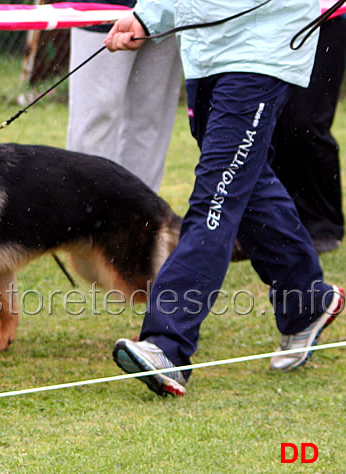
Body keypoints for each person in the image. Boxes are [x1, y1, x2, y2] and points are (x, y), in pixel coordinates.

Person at [105, 0, 344, 396]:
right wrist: (147, 14)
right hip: (205, 52)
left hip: (262, 48)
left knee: (216, 194)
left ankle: (167, 343)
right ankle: (305, 300)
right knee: (244, 182)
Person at [66, 0, 182, 192]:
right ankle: (87, 213)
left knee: (151, 119)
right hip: (103, 7)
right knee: (95, 121)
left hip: (168, 9)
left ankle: (144, 215)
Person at [271, 16, 346, 254]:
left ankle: (323, 223)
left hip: (325, 17)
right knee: (274, 124)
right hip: (269, 20)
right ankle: (281, 222)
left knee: (306, 122)